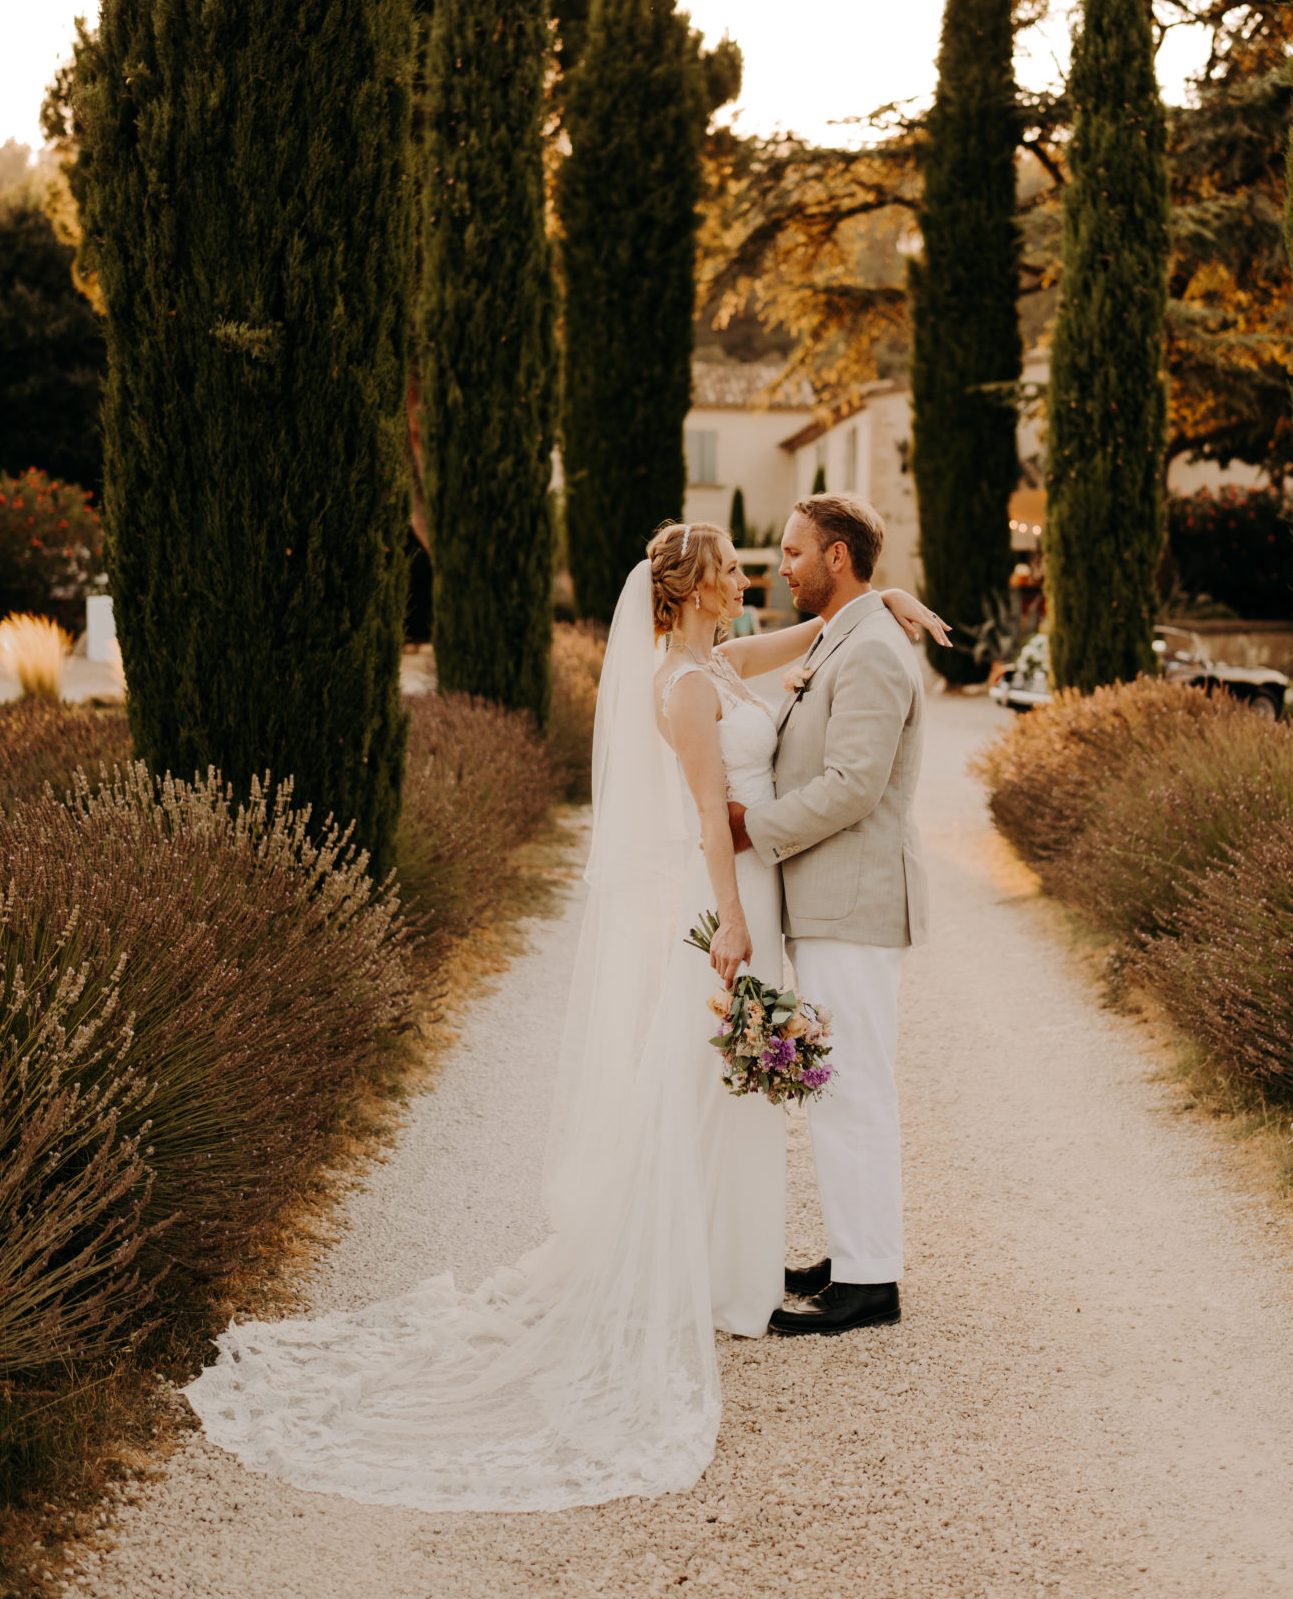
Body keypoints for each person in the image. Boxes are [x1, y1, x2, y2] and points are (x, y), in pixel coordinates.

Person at [183, 520, 945, 1512]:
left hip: (755, 887)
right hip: (730, 899)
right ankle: (679, 1264)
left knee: (734, 1092)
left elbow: (805, 642)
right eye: (729, 571)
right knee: (696, 1079)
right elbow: (712, 812)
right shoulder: (679, 689)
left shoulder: (715, 660)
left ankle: (730, 1268)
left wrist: (874, 603)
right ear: (692, 588)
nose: (746, 580)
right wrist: (731, 924)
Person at [731, 493, 928, 1336]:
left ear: (838, 556)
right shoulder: (851, 631)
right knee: (834, 1085)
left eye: (793, 552)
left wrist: (753, 828)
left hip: (851, 901)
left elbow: (854, 786)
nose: (782, 566)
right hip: (826, 902)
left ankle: (869, 1284)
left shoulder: (873, 652)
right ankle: (852, 1254)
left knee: (853, 1089)